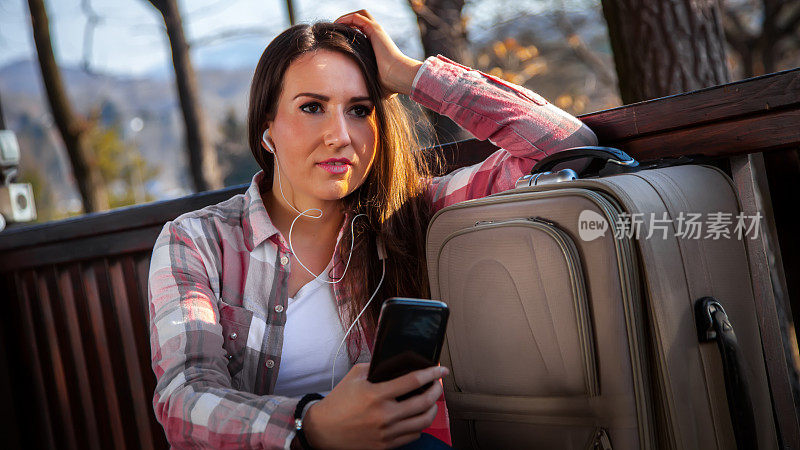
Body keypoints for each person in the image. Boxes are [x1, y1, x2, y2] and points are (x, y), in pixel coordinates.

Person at [147, 9, 598, 449]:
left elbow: (566, 147)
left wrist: (412, 75)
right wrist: (312, 426)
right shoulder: (198, 241)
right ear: (268, 129)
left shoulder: (414, 210)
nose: (340, 134)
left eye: (360, 110)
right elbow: (185, 400)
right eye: (312, 107)